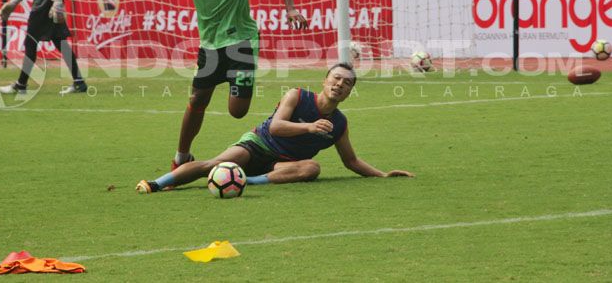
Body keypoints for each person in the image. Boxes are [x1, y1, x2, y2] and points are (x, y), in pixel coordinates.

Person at [145, 0, 308, 170]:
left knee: (237, 111)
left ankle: (269, 135)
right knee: (198, 100)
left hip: (241, 42)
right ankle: (181, 157)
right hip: (209, 45)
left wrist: (290, 8)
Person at [136, 63, 414, 194]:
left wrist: (383, 175)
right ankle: (157, 183)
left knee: (312, 169)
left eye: (346, 83)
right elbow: (278, 127)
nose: (340, 84)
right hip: (258, 145)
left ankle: (249, 181)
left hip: (282, 165)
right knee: (216, 163)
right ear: (324, 80)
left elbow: (350, 161)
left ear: (350, 92)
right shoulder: (297, 95)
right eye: (336, 78)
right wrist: (309, 129)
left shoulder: (339, 123)